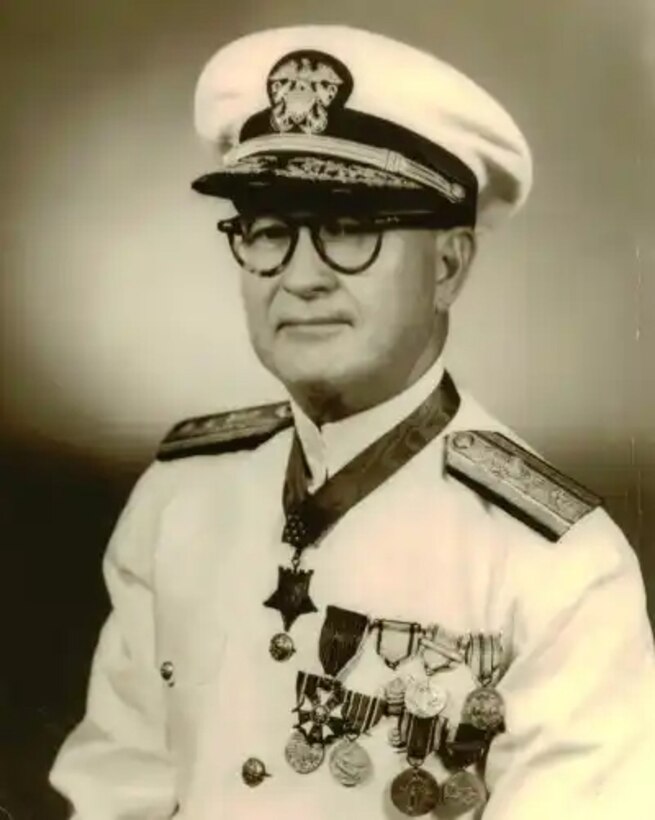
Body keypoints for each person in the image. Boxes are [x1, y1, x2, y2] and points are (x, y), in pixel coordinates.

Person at [49, 24, 655, 820]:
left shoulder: (558, 565)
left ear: (447, 266)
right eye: (268, 231)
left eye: (347, 230)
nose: (298, 276)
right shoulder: (178, 499)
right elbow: (113, 794)